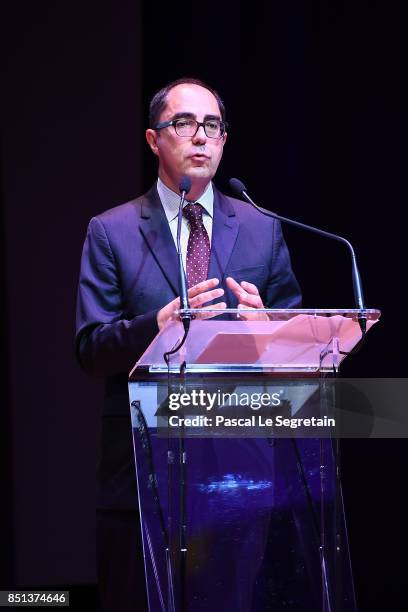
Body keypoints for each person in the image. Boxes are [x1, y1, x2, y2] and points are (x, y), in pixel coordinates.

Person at [75, 77, 301, 612]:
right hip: (140, 480)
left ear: (224, 140)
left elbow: (297, 339)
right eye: (184, 124)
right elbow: (90, 347)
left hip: (235, 479)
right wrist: (157, 323)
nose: (200, 137)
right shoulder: (113, 231)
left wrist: (266, 324)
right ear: (155, 139)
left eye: (212, 126)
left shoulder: (261, 227)